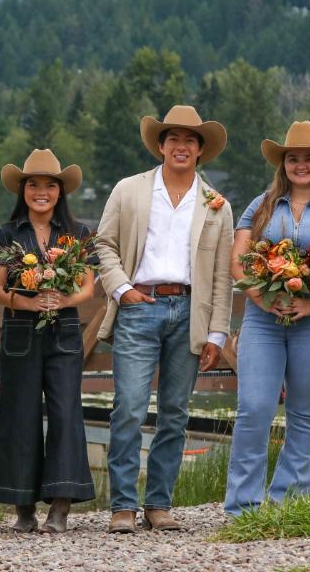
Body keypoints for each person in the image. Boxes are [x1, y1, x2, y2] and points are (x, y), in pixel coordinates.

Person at [94, 105, 234, 533]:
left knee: (174, 411)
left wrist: (217, 332)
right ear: (160, 145)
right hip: (140, 306)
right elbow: (104, 244)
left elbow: (223, 274)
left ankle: (159, 504)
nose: (181, 146)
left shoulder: (216, 204)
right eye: (173, 138)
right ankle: (122, 505)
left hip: (190, 312)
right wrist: (123, 290)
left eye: (190, 140)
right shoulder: (129, 190)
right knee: (130, 408)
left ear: (200, 150)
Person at [223, 121, 310, 515]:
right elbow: (238, 260)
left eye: (309, 159)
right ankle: (243, 507)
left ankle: (290, 503)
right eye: (293, 159)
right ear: (283, 164)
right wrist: (262, 299)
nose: (301, 165)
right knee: (254, 407)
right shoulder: (261, 204)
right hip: (263, 319)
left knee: (304, 410)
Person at [0, 149, 96, 533]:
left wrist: (65, 299)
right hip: (20, 332)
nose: (42, 191)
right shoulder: (6, 233)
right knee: (19, 413)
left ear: (60, 191)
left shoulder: (77, 233)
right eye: (34, 185)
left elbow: (88, 287)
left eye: (50, 185)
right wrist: (26, 302)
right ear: (23, 190)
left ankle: (61, 506)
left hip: (64, 330)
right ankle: (23, 507)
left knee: (66, 414)